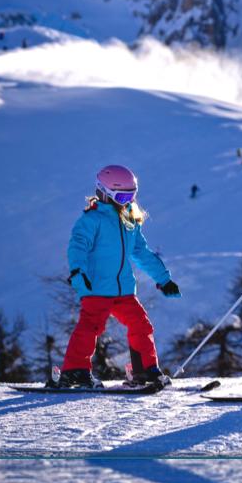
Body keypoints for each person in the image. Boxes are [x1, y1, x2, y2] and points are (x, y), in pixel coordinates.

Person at [58, 164, 180, 390]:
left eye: (131, 196)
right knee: (90, 327)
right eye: (122, 196)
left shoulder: (129, 222)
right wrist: (77, 271)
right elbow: (78, 246)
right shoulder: (91, 220)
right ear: (104, 193)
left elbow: (142, 253)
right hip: (95, 287)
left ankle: (145, 371)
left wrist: (164, 279)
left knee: (141, 325)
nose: (127, 201)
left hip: (123, 290)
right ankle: (75, 371)